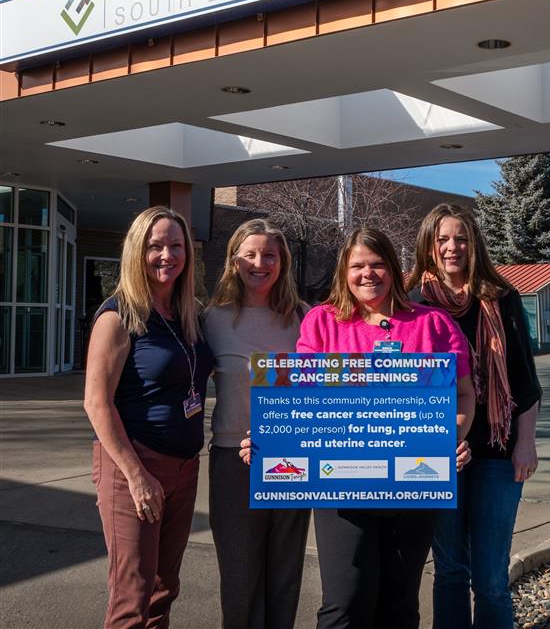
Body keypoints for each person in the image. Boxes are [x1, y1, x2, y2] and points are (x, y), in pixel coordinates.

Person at [296, 226, 475, 629]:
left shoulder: (433, 324)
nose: (368, 274)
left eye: (377, 264)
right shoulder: (321, 322)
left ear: (393, 269)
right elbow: (301, 400)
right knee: (344, 603)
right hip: (340, 482)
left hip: (414, 482)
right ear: (344, 271)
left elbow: (464, 396)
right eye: (357, 265)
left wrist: (452, 437)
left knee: (399, 603)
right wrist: (274, 438)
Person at [406, 203, 542, 629]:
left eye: (460, 238)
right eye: (442, 239)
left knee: (490, 578)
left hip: (497, 453)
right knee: (448, 571)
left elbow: (524, 380)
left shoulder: (500, 298)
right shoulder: (411, 302)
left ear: (474, 243)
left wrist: (524, 442)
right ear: (428, 245)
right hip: (436, 456)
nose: (452, 247)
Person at [84, 206, 214, 629]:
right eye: (155, 246)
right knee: (132, 595)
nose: (166, 255)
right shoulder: (119, 314)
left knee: (163, 588)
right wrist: (137, 475)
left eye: (175, 246)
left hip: (184, 467)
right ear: (137, 251)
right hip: (135, 465)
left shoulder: (185, 312)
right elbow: (96, 403)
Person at [203, 218, 310, 629]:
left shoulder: (304, 318)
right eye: (249, 254)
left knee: (284, 575)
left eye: (269, 255)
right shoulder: (212, 319)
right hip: (233, 461)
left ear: (282, 262)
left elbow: (324, 389)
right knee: (239, 577)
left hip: (291, 459)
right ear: (234, 261)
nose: (259, 262)